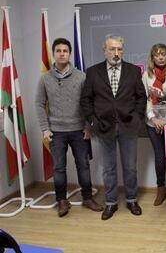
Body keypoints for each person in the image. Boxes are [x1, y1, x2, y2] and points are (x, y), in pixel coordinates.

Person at [80, 34, 147, 220]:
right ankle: (110, 203)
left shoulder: (133, 71)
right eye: (112, 49)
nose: (116, 53)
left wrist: (138, 117)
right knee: (108, 168)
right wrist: (92, 121)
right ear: (105, 50)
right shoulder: (93, 72)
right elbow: (86, 99)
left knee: (130, 167)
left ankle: (132, 199)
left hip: (128, 126)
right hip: (104, 127)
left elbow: (141, 97)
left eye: (119, 49)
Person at [35, 38, 103, 217]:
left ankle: (87, 198)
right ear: (54, 54)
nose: (62, 53)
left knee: (83, 166)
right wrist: (45, 128)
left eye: (65, 50)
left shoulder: (81, 76)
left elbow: (89, 103)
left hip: (79, 130)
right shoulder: (45, 79)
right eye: (58, 51)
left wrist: (88, 127)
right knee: (59, 168)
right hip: (56, 132)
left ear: (70, 53)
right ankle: (62, 201)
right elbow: (39, 104)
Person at [142, 43, 166, 206]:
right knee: (160, 157)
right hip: (152, 123)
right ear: (152, 57)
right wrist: (154, 119)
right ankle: (161, 189)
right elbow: (145, 99)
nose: (161, 57)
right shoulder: (146, 75)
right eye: (157, 55)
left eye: (163, 54)